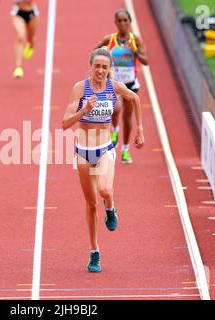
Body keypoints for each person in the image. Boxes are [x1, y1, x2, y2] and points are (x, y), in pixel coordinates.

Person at [61, 48, 144, 273]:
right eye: (97, 66)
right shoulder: (80, 88)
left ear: (110, 69)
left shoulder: (114, 86)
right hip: (82, 152)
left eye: (104, 67)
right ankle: (94, 251)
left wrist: (140, 129)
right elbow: (64, 123)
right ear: (91, 66)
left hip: (105, 148)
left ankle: (111, 207)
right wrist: (83, 110)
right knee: (90, 204)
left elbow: (134, 98)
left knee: (105, 190)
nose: (100, 70)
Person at [96, 9, 148, 164]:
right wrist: (104, 55)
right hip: (114, 82)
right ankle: (114, 130)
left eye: (126, 20)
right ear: (116, 23)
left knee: (127, 117)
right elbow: (94, 53)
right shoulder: (109, 39)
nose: (123, 24)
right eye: (120, 21)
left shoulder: (135, 40)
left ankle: (125, 149)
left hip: (131, 83)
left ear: (130, 22)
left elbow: (146, 61)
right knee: (115, 108)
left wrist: (136, 52)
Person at [0, 0, 39, 78]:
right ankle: (18, 67)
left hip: (32, 13)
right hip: (18, 13)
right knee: (20, 37)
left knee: (31, 39)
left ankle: (30, 46)